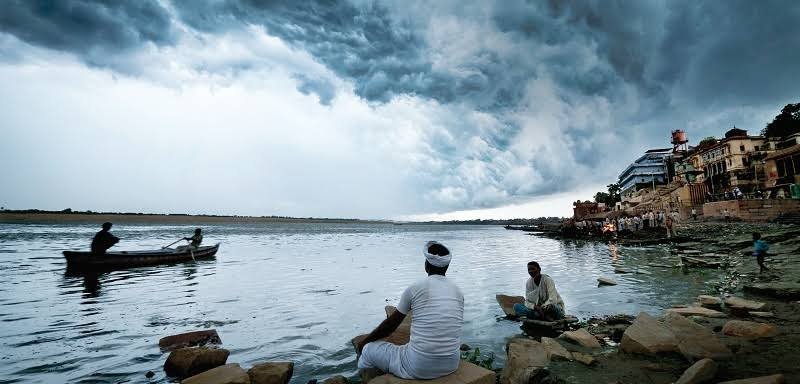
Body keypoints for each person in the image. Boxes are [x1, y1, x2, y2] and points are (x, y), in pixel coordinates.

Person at [356, 241, 464, 380]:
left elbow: (390, 326)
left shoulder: (416, 288)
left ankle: (366, 379)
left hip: (419, 367)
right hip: (451, 364)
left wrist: (365, 342)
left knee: (368, 350)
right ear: (447, 266)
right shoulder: (458, 291)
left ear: (426, 265)